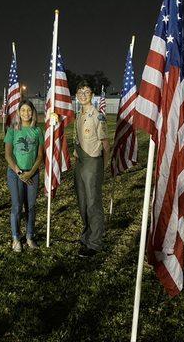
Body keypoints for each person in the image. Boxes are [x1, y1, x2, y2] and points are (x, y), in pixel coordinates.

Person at [74, 81, 110, 257]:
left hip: (93, 161)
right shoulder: (78, 115)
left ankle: (94, 243)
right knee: (82, 202)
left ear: (92, 95)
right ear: (76, 95)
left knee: (93, 203)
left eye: (86, 92)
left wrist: (104, 165)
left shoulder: (97, 115)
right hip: (80, 160)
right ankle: (86, 235)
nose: (83, 94)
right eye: (80, 92)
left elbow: (105, 144)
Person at [4, 100, 44, 252]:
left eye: (29, 110)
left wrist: (31, 172)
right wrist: (20, 173)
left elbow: (40, 155)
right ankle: (15, 238)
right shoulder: (13, 130)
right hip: (16, 174)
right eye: (23, 110)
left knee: (31, 207)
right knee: (17, 206)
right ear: (18, 113)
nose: (26, 113)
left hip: (32, 173)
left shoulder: (37, 131)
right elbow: (8, 155)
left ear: (33, 112)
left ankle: (29, 236)